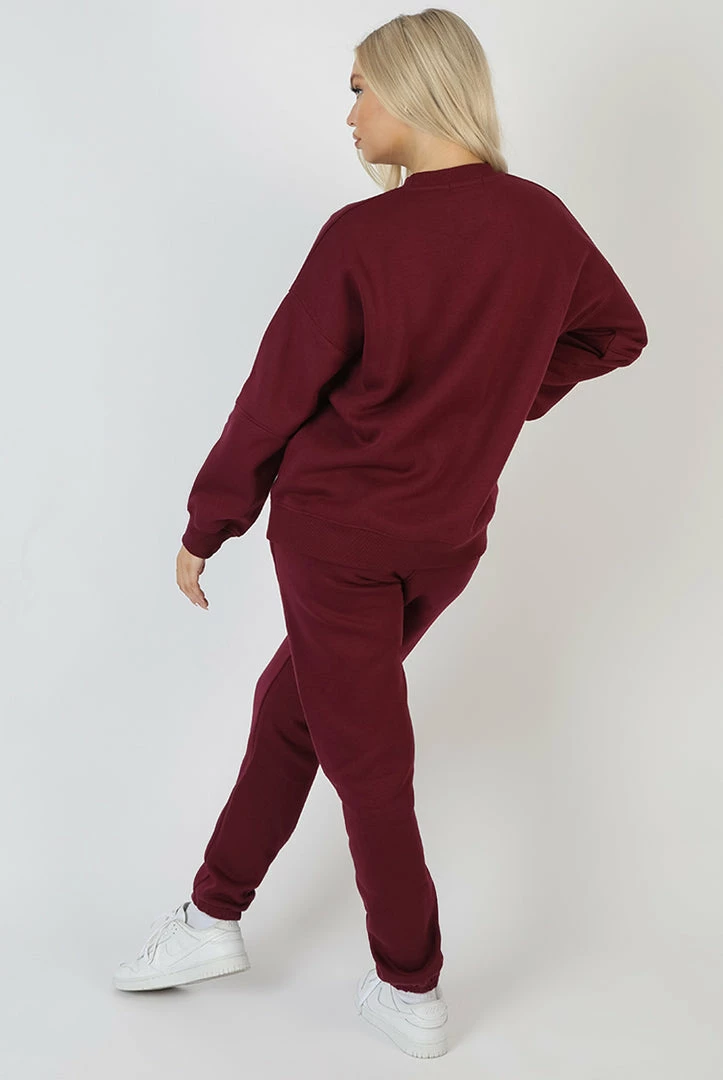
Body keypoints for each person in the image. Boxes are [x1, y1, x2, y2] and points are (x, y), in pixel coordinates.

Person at [112, 8, 649, 1060]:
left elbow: (273, 396)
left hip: (339, 539)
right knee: (293, 710)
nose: (350, 112)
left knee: (365, 758)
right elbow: (614, 332)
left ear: (413, 90)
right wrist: (494, 402)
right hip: (445, 539)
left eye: (360, 87)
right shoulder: (542, 223)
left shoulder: (362, 237)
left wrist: (210, 520)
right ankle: (213, 917)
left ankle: (411, 983)